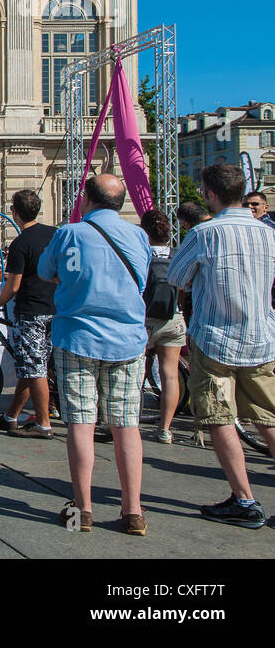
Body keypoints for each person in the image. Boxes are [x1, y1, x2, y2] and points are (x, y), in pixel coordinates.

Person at [38, 174, 151, 536]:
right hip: (128, 340)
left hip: (77, 338)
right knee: (126, 425)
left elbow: (45, 271)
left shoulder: (69, 233)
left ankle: (83, 509)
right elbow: (143, 281)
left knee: (81, 423)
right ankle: (132, 510)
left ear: (86, 200)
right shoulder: (138, 235)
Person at [167, 164, 275, 529]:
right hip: (260, 335)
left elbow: (177, 276)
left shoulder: (205, 233)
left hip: (217, 336)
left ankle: (244, 499)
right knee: (269, 417)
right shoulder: (267, 232)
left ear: (210, 194)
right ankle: (244, 499)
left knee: (218, 417)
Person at [0, 190, 56, 439]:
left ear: (14, 213)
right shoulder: (54, 234)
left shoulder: (20, 243)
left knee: (34, 369)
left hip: (31, 311)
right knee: (32, 365)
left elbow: (13, 286)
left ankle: (43, 424)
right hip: (55, 309)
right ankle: (11, 416)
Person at [138, 209, 187, 444]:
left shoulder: (141, 254)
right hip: (173, 319)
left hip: (145, 320)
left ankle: (131, 420)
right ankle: (165, 428)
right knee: (170, 375)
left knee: (137, 372)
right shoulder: (176, 255)